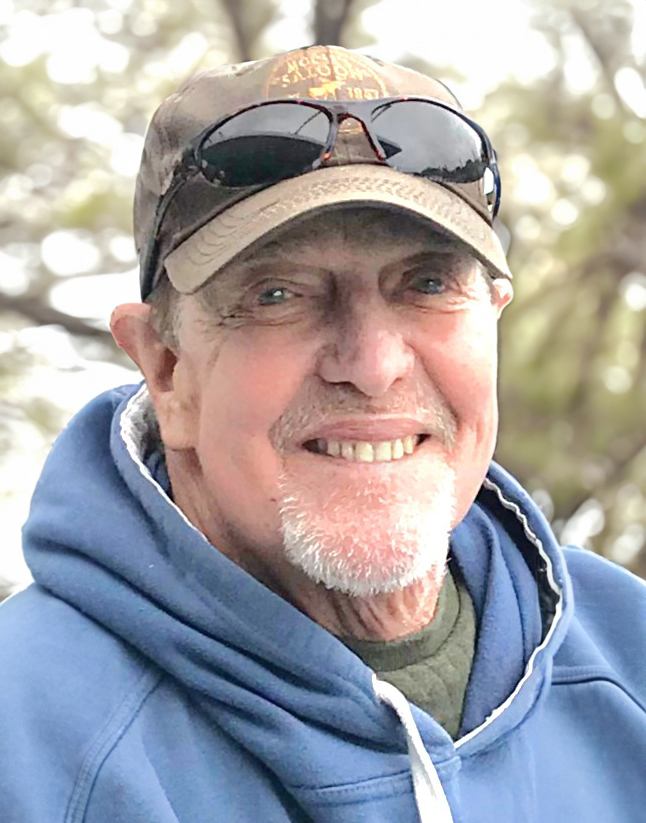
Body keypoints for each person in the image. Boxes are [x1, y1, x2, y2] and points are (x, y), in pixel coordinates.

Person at [1, 44, 645, 823]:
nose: (372, 365)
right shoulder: (27, 742)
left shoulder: (629, 654)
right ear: (167, 370)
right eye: (279, 294)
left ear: (492, 319)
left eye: (427, 283)